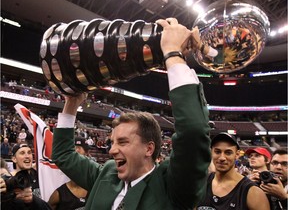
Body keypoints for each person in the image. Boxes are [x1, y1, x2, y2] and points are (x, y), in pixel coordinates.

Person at [52, 17, 211, 210]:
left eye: (123, 142)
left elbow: (193, 132)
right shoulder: (107, 174)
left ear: (149, 149)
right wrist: (71, 103)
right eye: (113, 142)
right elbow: (63, 154)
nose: (111, 150)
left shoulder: (171, 185)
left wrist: (173, 54)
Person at [196, 132, 270, 210]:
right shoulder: (201, 184)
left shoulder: (253, 192)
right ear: (211, 153)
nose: (222, 158)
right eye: (217, 152)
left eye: (228, 153)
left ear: (237, 155)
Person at [48, 137, 92, 210]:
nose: (76, 151)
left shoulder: (94, 189)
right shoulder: (59, 194)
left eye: (78, 148)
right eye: (74, 148)